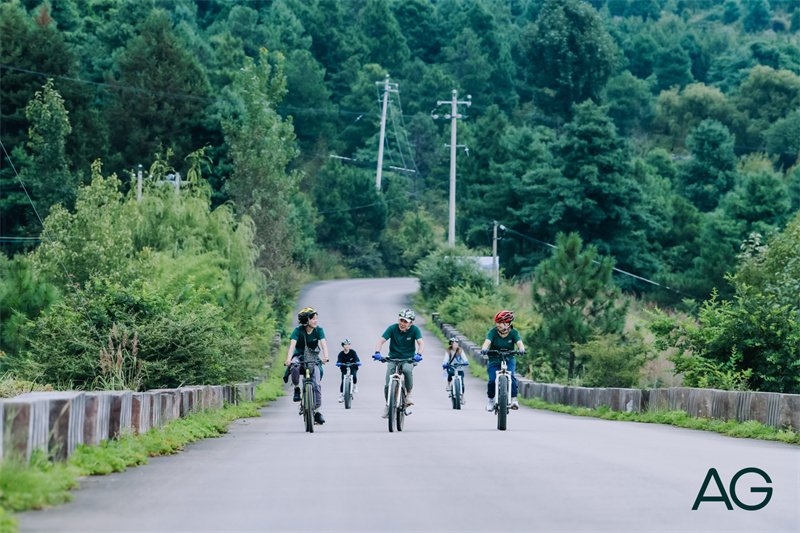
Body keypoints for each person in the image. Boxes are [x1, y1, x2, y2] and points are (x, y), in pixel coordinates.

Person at [374, 308, 424, 418]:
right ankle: (388, 406)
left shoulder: (415, 330)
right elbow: (381, 341)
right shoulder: (392, 328)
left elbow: (420, 343)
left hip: (408, 359)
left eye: (405, 322)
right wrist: (377, 352)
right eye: (401, 320)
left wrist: (419, 354)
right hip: (393, 358)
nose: (402, 323)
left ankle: (408, 395)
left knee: (407, 370)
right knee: (388, 384)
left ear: (411, 323)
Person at [285, 307, 329, 425]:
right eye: (313, 319)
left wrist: (325, 356)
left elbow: (323, 343)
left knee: (317, 384)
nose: (316, 321)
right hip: (299, 356)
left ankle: (317, 412)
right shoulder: (298, 330)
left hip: (313, 358)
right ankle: (296, 389)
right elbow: (292, 346)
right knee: (294, 366)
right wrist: (288, 359)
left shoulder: (318, 330)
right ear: (306, 320)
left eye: (316, 318)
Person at [480, 310, 525, 412]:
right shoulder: (493, 332)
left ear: (508, 323)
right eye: (497, 322)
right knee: (492, 380)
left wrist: (521, 349)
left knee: (511, 376)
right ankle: (491, 400)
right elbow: (487, 341)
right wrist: (484, 349)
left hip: (509, 359)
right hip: (494, 359)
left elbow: (519, 342)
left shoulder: (513, 333)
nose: (498, 325)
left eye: (500, 322)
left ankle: (514, 399)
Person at [442, 337, 469, 404]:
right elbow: (446, 359)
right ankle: (448, 384)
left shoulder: (460, 350)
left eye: (457, 342)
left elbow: (464, 358)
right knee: (451, 373)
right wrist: (445, 364)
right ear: (451, 344)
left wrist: (465, 362)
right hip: (451, 367)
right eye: (454, 343)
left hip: (459, 368)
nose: (456, 344)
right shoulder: (448, 351)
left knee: (462, 383)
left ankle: (462, 397)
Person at [337, 338, 360, 402]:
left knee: (354, 375)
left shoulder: (352, 352)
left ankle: (354, 385)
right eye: (345, 345)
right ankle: (341, 395)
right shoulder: (341, 354)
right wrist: (338, 363)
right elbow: (339, 360)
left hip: (353, 367)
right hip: (344, 367)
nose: (347, 346)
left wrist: (357, 362)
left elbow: (357, 358)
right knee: (343, 379)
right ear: (343, 346)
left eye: (348, 344)